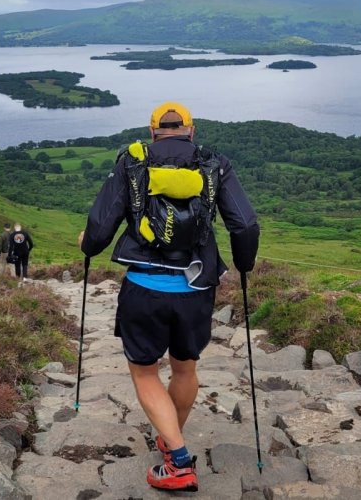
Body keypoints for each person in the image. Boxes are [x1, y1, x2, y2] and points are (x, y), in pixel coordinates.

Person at [78, 102, 259, 492]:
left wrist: (88, 245)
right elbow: (244, 223)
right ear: (191, 130)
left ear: (153, 130)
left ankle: (177, 459)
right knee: (184, 369)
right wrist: (244, 265)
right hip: (195, 289)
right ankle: (169, 438)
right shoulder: (214, 163)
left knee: (144, 372)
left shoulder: (132, 161)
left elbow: (101, 221)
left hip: (144, 287)